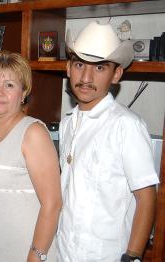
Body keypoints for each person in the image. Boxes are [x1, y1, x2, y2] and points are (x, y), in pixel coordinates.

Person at [57, 21, 159, 262]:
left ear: (116, 74)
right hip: (62, 252)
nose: (86, 77)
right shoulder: (67, 123)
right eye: (80, 64)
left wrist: (132, 256)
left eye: (100, 68)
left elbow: (146, 198)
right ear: (69, 68)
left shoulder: (127, 126)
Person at [0, 51, 62, 262]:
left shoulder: (33, 133)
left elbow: (53, 203)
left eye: (9, 85)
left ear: (24, 92)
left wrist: (36, 255)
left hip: (23, 252)